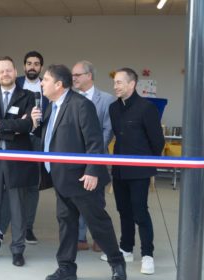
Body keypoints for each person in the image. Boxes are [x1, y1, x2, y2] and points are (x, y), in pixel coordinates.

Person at [30, 64, 126, 280]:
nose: (42, 83)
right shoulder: (51, 106)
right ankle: (66, 268)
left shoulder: (81, 105)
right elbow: (49, 139)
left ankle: (117, 265)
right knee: (66, 223)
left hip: (83, 178)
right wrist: (35, 123)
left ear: (59, 84)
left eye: (45, 79)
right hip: (61, 177)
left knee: (97, 223)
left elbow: (94, 141)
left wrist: (92, 170)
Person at [0, 56, 38, 267]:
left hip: (16, 159)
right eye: (1, 71)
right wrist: (13, 126)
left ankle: (18, 250)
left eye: (9, 70)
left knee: (17, 207)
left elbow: (28, 126)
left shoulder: (28, 96)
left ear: (15, 71)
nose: (5, 74)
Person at [103, 67, 165, 275]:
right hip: (119, 169)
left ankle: (147, 255)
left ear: (132, 84)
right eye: (115, 82)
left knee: (140, 212)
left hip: (139, 171)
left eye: (120, 82)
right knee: (123, 210)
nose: (115, 86)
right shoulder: (113, 108)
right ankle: (126, 248)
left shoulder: (146, 108)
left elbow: (157, 142)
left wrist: (146, 164)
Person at [0, 50, 49, 244]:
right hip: (15, 141)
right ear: (22, 67)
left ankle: (28, 228)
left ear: (41, 67)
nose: (33, 66)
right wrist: (17, 125)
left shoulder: (46, 85)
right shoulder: (14, 84)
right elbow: (1, 117)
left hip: (38, 141)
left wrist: (22, 123)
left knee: (33, 186)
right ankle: (1, 227)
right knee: (10, 184)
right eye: (29, 63)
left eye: (37, 64)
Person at [71, 60, 116, 252]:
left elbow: (108, 129)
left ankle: (100, 237)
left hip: (97, 158)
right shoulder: (69, 98)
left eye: (77, 75)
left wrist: (93, 151)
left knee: (97, 201)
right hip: (74, 160)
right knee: (78, 199)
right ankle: (80, 238)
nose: (73, 79)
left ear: (89, 76)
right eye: (72, 75)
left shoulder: (106, 100)